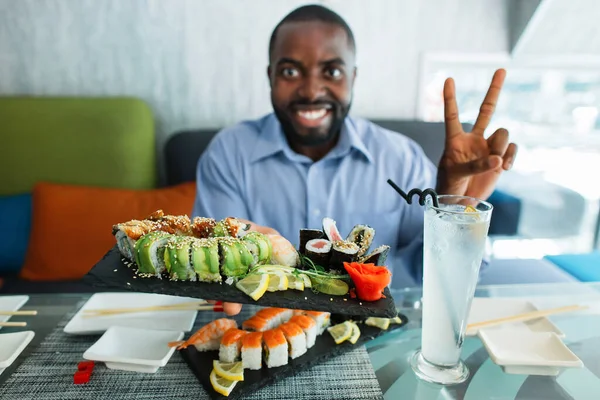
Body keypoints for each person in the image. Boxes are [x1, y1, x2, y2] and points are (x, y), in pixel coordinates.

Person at [193, 5, 517, 315]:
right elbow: (212, 270)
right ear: (270, 76)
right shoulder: (228, 154)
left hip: (381, 338)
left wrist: (456, 204)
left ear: (353, 77)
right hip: (264, 338)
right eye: (290, 71)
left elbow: (436, 276)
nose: (310, 90)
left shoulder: (400, 158)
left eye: (331, 71)